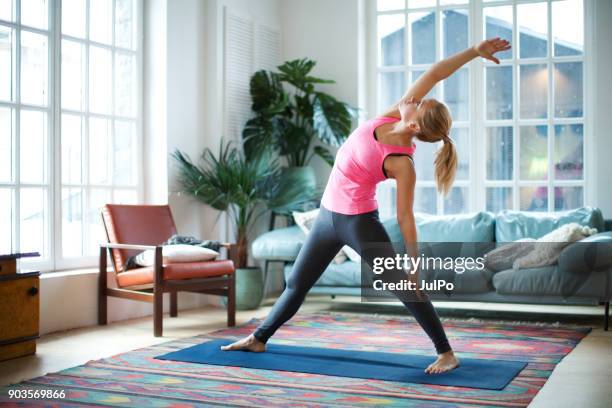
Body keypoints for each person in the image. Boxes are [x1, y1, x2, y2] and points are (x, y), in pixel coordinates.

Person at [221, 38, 511, 374]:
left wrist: (413, 263)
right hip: (328, 216)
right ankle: (259, 338)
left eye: (419, 104)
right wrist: (474, 52)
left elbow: (405, 217)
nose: (414, 99)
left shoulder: (402, 163)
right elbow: (435, 72)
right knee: (297, 284)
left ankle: (446, 352)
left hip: (358, 223)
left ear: (416, 126)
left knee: (404, 286)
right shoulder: (394, 112)